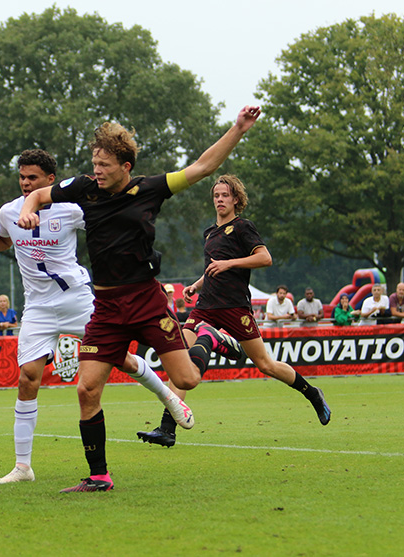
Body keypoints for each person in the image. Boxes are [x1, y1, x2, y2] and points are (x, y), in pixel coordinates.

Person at [18, 106, 261, 493]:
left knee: (186, 379)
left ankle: (209, 339)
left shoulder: (150, 189)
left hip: (147, 301)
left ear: (126, 166)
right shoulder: (83, 187)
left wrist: (238, 128)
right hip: (106, 307)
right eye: (94, 163)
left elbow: (202, 167)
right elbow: (39, 195)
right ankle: (99, 476)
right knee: (87, 390)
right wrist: (29, 212)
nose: (96, 170)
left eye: (104, 165)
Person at [0, 148, 192, 485]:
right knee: (28, 377)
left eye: (33, 178)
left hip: (77, 298)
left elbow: (110, 224)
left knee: (124, 360)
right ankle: (22, 467)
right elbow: (4, 240)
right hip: (38, 308)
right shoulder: (9, 211)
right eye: (22, 177)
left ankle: (169, 397)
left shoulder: (73, 209)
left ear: (50, 180)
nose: (26, 184)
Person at [139, 174, 330, 449]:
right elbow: (213, 268)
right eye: (216, 196)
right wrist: (195, 285)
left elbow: (265, 258)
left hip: (235, 307)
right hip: (205, 306)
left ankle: (312, 393)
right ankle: (168, 427)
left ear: (236, 200)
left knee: (265, 364)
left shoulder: (243, 227)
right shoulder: (209, 233)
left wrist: (230, 264)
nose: (219, 200)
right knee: (180, 361)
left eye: (224, 195)